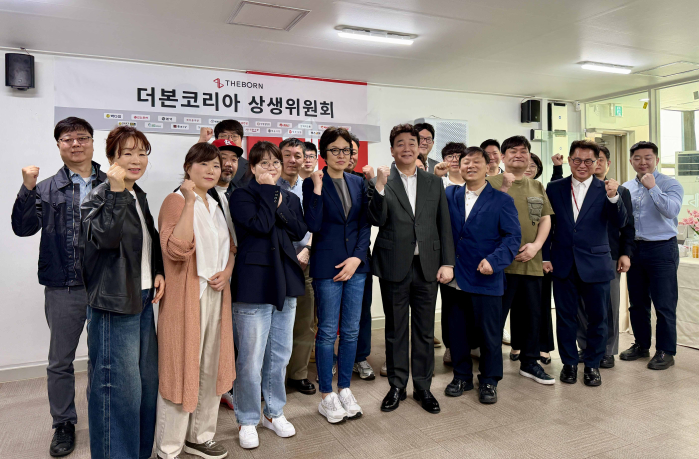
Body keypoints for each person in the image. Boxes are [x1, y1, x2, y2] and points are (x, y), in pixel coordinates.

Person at [12, 117, 107, 457]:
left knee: (103, 358)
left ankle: (101, 414)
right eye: (68, 139)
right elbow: (23, 228)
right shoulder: (46, 187)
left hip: (106, 285)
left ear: (93, 142)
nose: (76, 144)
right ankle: (63, 423)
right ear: (59, 145)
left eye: (82, 137)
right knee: (60, 361)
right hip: (64, 286)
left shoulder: (112, 182)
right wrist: (27, 188)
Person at [80, 126, 165, 459]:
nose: (136, 160)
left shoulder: (137, 195)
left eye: (142, 153)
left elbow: (147, 240)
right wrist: (115, 192)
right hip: (113, 305)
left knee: (144, 387)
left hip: (141, 299)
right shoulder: (100, 195)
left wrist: (157, 271)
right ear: (111, 158)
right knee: (117, 391)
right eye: (127, 153)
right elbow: (105, 239)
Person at [155, 143, 236, 459]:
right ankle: (169, 447)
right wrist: (189, 201)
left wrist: (227, 272)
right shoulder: (175, 201)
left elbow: (231, 248)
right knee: (180, 369)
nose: (212, 170)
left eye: (216, 165)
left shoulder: (217, 203)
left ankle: (200, 436)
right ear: (188, 167)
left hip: (217, 296)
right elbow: (177, 249)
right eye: (204, 164)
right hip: (186, 300)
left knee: (210, 368)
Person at [368, 124, 455, 414]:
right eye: (400, 143)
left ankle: (423, 387)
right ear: (392, 150)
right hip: (394, 263)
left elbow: (443, 223)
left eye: (412, 143)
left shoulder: (433, 182)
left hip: (427, 264)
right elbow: (376, 219)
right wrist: (380, 187)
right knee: (395, 329)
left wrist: (448, 262)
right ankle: (396, 386)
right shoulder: (382, 180)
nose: (407, 148)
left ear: (420, 148)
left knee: (424, 330)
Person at [229, 141, 307, 449]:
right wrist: (268, 193)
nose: (271, 168)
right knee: (250, 359)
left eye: (275, 163)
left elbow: (299, 229)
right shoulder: (241, 195)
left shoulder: (289, 197)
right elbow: (260, 226)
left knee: (280, 354)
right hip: (253, 283)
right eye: (263, 163)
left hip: (285, 279)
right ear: (252, 167)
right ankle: (247, 418)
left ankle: (273, 413)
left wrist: (277, 201)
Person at [544, 140, 626, 387]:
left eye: (588, 161)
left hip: (596, 263)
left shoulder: (608, 189)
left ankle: (592, 365)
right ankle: (569, 364)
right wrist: (545, 257)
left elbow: (620, 222)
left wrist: (613, 198)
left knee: (598, 318)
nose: (582, 165)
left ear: (597, 162)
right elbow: (547, 224)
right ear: (569, 161)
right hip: (563, 262)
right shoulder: (555, 187)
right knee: (565, 317)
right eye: (577, 160)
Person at [303, 127, 371, 423]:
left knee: (352, 330)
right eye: (335, 150)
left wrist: (357, 257)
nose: (342, 155)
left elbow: (365, 224)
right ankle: (326, 394)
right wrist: (318, 188)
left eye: (346, 150)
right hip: (327, 265)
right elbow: (313, 224)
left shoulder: (358, 182)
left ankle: (345, 388)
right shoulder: (312, 182)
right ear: (324, 153)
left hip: (356, 265)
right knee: (328, 330)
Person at [444, 146, 520, 403]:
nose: (470, 166)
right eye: (466, 162)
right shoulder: (450, 194)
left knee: (489, 334)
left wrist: (494, 261)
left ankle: (489, 380)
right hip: (455, 277)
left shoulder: (502, 200)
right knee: (457, 331)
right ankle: (462, 376)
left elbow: (512, 237)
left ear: (488, 167)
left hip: (486, 275)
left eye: (477, 162)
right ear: (459, 167)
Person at [489, 136, 555, 385]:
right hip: (499, 266)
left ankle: (529, 362)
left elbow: (545, 218)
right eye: (512, 151)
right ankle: (490, 368)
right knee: (494, 319)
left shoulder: (536, 186)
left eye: (523, 151)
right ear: (502, 157)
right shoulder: (490, 183)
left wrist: (537, 246)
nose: (519, 154)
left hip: (531, 263)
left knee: (531, 317)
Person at [621, 141, 683, 370]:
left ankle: (666, 351)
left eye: (648, 158)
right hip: (635, 249)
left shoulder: (670, 184)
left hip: (662, 248)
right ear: (631, 161)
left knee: (664, 303)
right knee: (637, 303)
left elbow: (671, 211)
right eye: (637, 158)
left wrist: (652, 188)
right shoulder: (626, 187)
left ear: (656, 160)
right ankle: (641, 345)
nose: (643, 162)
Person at [277, 138, 317, 396]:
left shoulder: (310, 188)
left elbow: (318, 223)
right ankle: (273, 377)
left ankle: (298, 374)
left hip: (304, 262)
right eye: (287, 154)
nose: (293, 160)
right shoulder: (269, 187)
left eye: (298, 155)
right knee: (275, 325)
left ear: (305, 159)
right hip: (276, 264)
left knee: (304, 323)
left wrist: (308, 249)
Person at [206, 139, 242, 411]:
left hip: (240, 271)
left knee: (235, 333)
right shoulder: (200, 193)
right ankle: (212, 389)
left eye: (233, 159)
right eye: (222, 158)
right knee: (213, 335)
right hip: (212, 275)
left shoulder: (241, 192)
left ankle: (229, 384)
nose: (228, 164)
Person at [432, 142, 467, 366]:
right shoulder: (438, 183)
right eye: (449, 156)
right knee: (450, 304)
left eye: (459, 156)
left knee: (470, 303)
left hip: (471, 253)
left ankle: (471, 345)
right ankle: (451, 347)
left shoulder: (476, 183)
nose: (454, 160)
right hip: (446, 253)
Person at [346, 133, 376, 381]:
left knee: (361, 312)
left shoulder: (363, 183)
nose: (348, 156)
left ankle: (359, 357)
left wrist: (374, 182)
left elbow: (369, 221)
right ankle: (333, 359)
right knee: (328, 316)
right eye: (341, 150)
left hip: (361, 258)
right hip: (330, 258)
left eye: (352, 151)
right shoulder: (321, 181)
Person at [198, 119, 250, 188]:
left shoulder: (251, 168)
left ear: (241, 140)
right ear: (216, 139)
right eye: (224, 136)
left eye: (234, 136)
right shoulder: (206, 163)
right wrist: (202, 142)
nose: (230, 140)